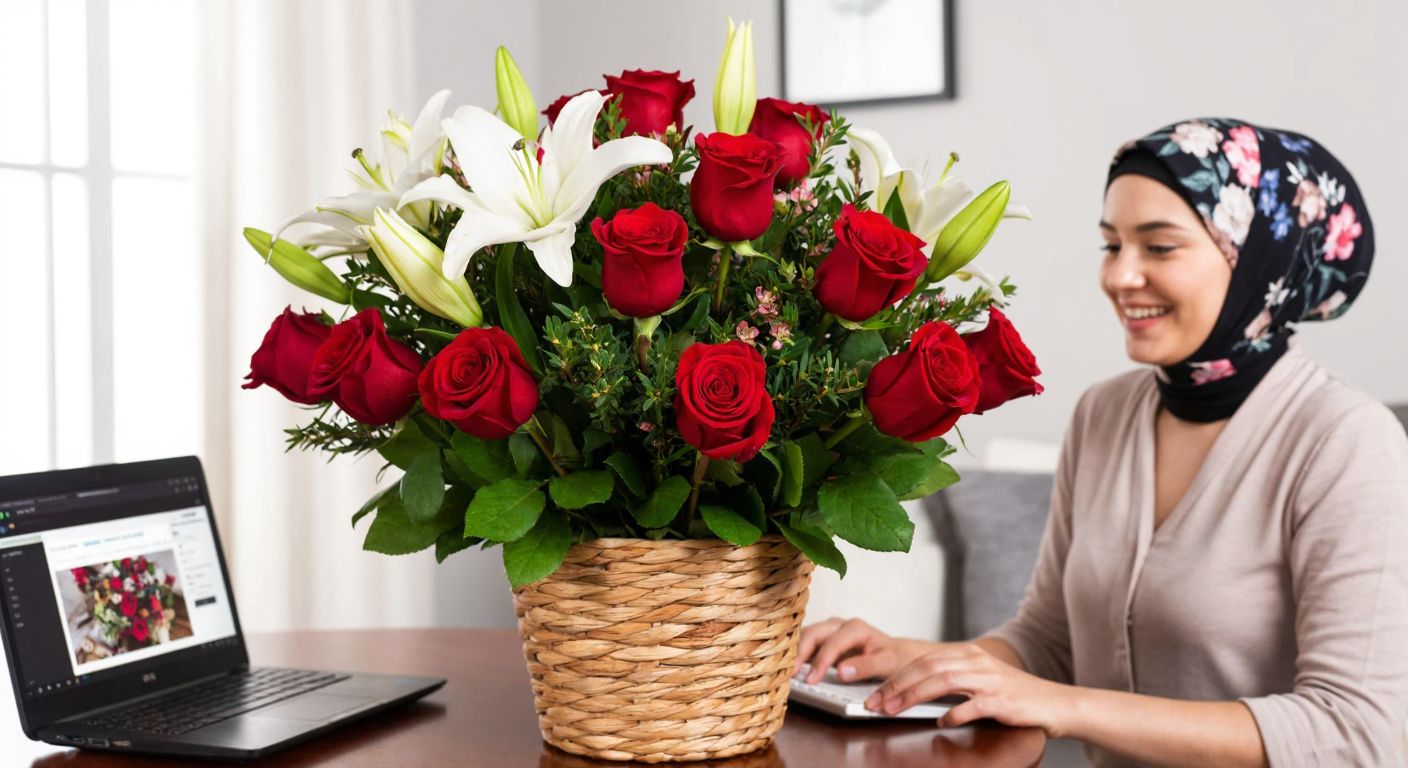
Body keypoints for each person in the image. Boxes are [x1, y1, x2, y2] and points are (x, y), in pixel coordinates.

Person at [793, 118, 1408, 767]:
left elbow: (1358, 732)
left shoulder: (1346, 442)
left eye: (1159, 247)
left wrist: (1067, 705)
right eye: (1112, 246)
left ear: (1259, 262)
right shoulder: (1104, 414)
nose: (1121, 277)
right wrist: (914, 659)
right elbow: (1049, 638)